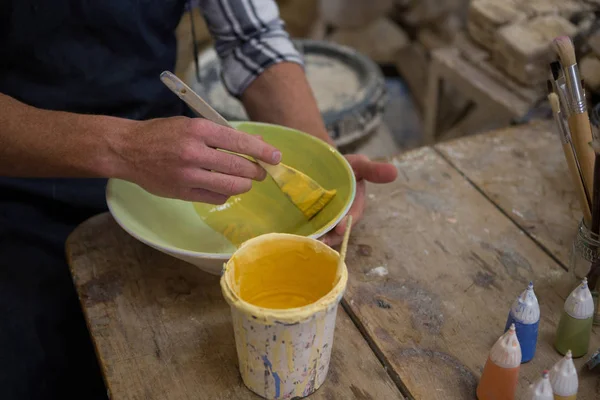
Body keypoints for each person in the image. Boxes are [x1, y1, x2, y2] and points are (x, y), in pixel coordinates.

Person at [0, 1, 398, 399]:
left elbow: (252, 36)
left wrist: (319, 167)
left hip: (165, 152)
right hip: (23, 182)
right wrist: (122, 146)